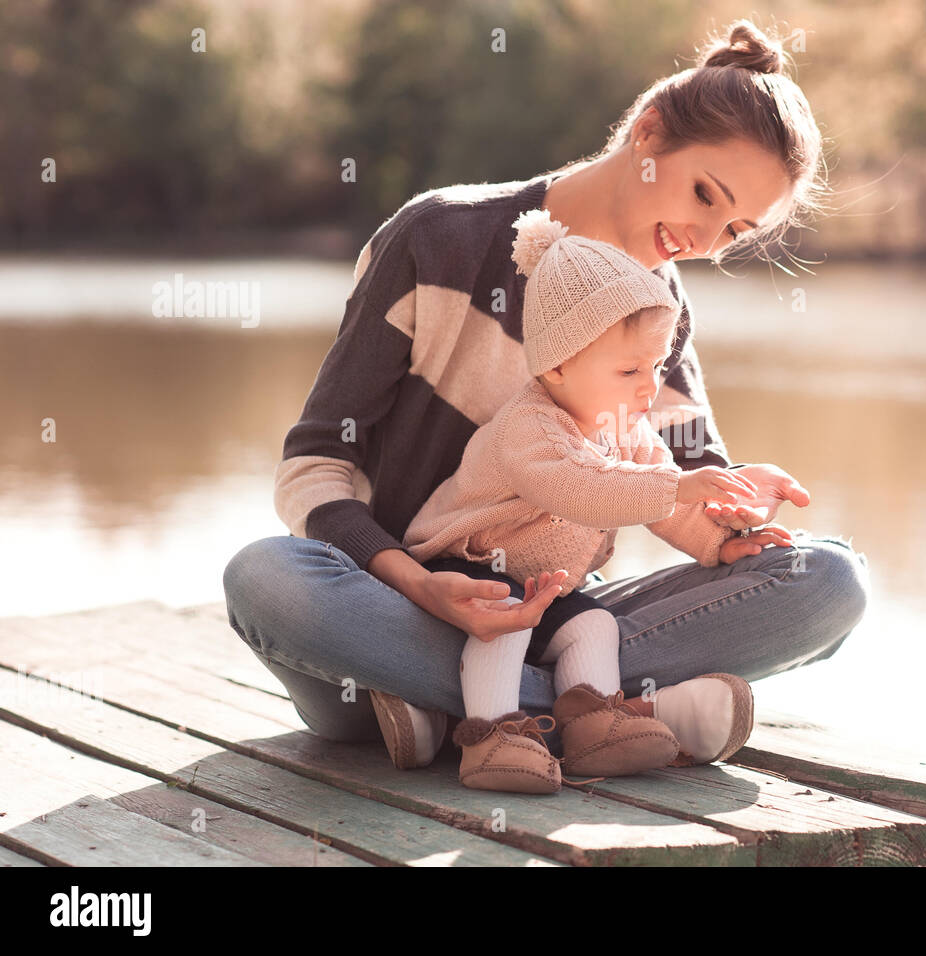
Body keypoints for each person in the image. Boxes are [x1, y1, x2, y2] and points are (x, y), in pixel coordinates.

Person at [221, 19, 871, 773]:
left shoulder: (663, 313)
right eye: (704, 195)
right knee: (266, 579)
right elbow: (314, 465)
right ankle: (602, 712)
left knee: (827, 580)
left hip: (554, 612)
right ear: (649, 132)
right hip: (390, 608)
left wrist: (740, 516)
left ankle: (469, 713)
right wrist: (420, 584)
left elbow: (688, 482)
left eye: (736, 230)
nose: (705, 240)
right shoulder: (438, 240)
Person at [389, 207, 786, 793]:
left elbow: (662, 498)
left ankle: (594, 724)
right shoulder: (529, 427)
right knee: (505, 621)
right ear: (556, 366)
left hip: (546, 586)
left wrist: (720, 542)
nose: (650, 386)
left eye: (655, 365)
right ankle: (493, 735)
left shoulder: (622, 423)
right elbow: (586, 489)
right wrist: (678, 484)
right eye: (629, 369)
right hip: (467, 573)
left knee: (594, 626)